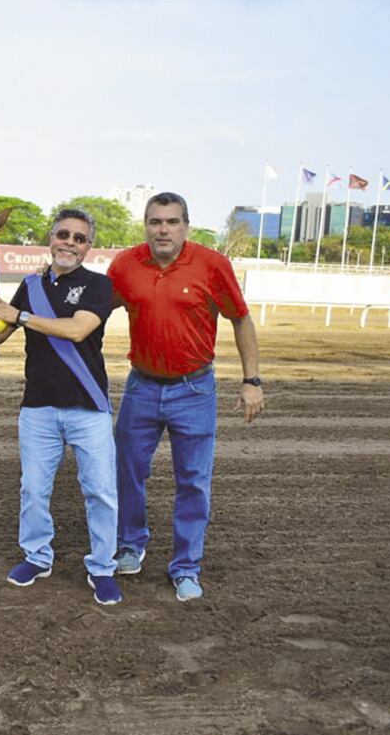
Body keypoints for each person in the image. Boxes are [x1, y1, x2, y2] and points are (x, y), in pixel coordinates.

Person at [107, 191, 266, 602]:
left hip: (194, 390)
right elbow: (93, 315)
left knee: (193, 481)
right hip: (141, 386)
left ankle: (186, 567)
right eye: (156, 222)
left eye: (172, 222)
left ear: (186, 226)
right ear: (146, 225)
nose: (163, 229)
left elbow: (241, 319)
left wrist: (252, 380)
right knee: (127, 471)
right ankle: (130, 544)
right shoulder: (125, 265)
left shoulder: (212, 265)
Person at [0, 209, 123, 606]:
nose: (70, 243)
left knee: (100, 492)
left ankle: (102, 567)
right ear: (51, 238)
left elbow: (78, 330)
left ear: (88, 247)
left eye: (79, 238)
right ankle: (37, 556)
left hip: (88, 408)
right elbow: (3, 328)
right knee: (33, 490)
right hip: (38, 409)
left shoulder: (98, 285)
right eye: (64, 234)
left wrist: (21, 316)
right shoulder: (30, 285)